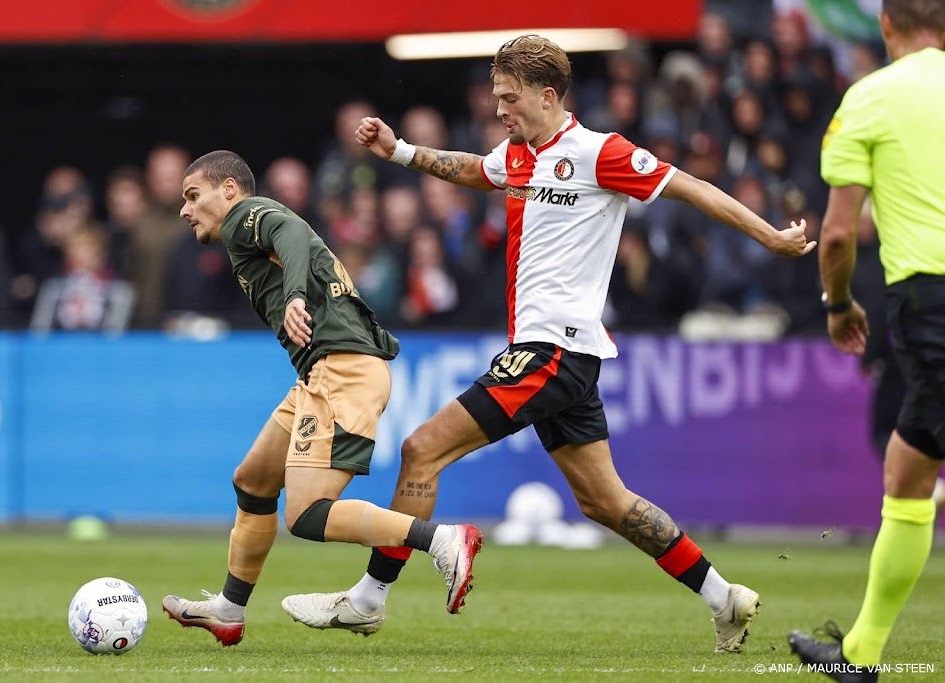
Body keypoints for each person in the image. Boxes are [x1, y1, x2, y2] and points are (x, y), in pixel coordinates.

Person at [281, 34, 816, 653]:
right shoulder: (517, 153)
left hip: (552, 351)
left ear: (549, 94)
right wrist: (398, 151)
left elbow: (691, 186)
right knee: (605, 501)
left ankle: (369, 599)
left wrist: (769, 235)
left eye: (509, 99)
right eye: (495, 97)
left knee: (422, 449)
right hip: (566, 356)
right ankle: (724, 596)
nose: (499, 109)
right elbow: (467, 169)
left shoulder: (599, 153)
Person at [160, 150, 483, 646]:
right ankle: (229, 608)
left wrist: (293, 295)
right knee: (253, 482)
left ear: (228, 190)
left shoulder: (247, 213)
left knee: (307, 516)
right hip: (322, 372)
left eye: (192, 195)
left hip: (342, 370)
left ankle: (441, 540)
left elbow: (289, 231)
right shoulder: (239, 237)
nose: (185, 209)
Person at [788, 3, 945, 681]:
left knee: (910, 471)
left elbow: (841, 234)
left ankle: (862, 654)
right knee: (910, 464)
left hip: (930, 301)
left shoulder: (871, 98)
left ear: (884, 24)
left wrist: (838, 304)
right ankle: (859, 652)